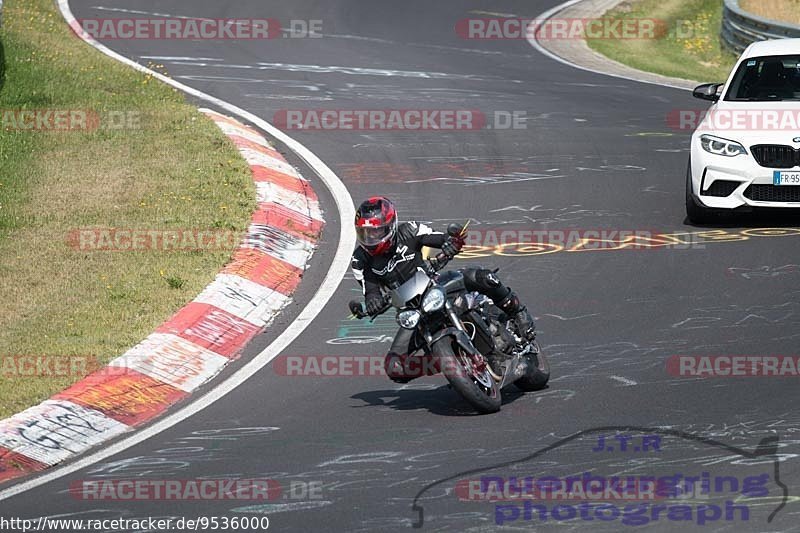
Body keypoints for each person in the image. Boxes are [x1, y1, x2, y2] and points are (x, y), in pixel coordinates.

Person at [350, 196, 535, 383]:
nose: (371, 239)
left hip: (436, 285)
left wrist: (450, 242)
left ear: (391, 226)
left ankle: (518, 313)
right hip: (412, 311)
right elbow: (371, 291)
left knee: (483, 277)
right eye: (365, 234)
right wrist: (372, 303)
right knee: (394, 367)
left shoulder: (410, 230)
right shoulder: (360, 260)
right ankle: (447, 362)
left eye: (376, 232)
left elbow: (438, 238)